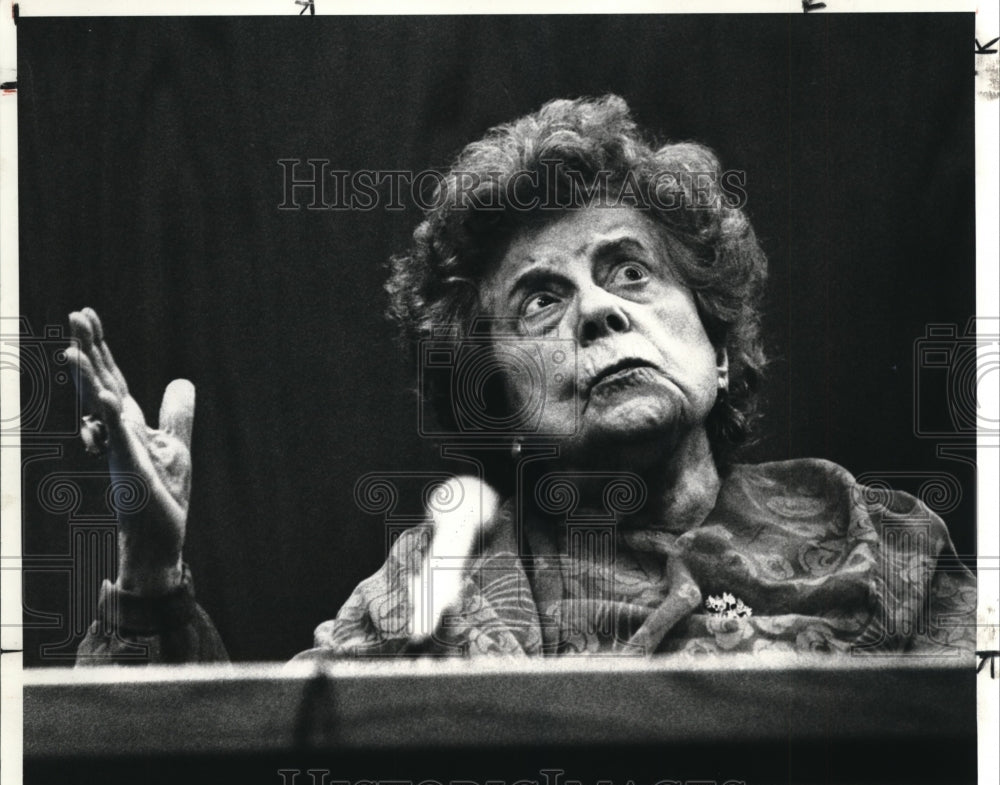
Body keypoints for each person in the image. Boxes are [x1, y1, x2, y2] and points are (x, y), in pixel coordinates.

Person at [69, 95, 976, 663]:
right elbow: (234, 777)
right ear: (499, 399)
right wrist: (151, 575)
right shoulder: (428, 590)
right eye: (541, 300)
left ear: (719, 344)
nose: (596, 309)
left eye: (630, 272)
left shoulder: (871, 540)